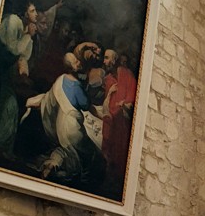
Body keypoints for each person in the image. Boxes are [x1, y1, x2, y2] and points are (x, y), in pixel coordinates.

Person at [24, 52, 105, 187]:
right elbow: (85, 104)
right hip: (72, 126)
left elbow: (49, 97)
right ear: (71, 67)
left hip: (60, 124)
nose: (79, 62)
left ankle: (51, 165)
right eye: (75, 62)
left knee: (65, 150)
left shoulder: (60, 79)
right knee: (88, 153)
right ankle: (84, 180)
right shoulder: (75, 86)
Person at [0, 2, 38, 155]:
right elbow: (12, 49)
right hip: (1, 69)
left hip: (7, 73)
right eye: (33, 11)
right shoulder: (13, 21)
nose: (36, 14)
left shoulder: (24, 27)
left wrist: (29, 35)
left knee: (11, 107)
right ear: (25, 13)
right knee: (9, 106)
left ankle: (3, 150)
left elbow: (24, 56)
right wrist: (28, 35)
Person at [102, 48, 136, 186]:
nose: (104, 62)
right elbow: (107, 104)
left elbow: (133, 94)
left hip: (123, 118)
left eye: (106, 58)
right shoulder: (108, 79)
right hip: (112, 118)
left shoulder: (126, 74)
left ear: (114, 60)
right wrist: (110, 93)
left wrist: (124, 103)